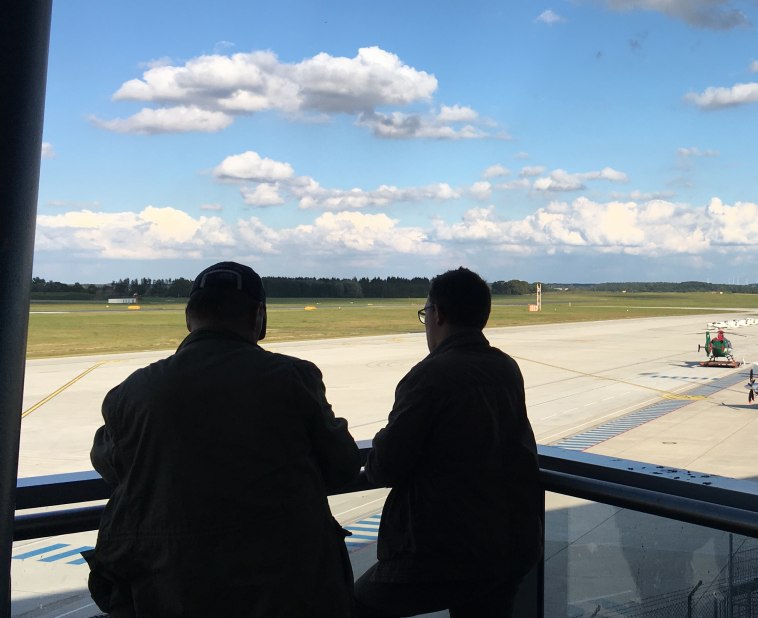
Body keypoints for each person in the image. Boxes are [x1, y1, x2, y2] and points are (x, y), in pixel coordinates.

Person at [87, 261, 361, 617]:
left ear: (189, 317)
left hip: (173, 588)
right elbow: (343, 466)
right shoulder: (293, 377)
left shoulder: (133, 391)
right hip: (287, 589)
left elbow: (110, 464)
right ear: (258, 318)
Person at [354, 267, 542, 618]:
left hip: (444, 554)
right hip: (508, 546)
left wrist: (382, 439)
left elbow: (385, 467)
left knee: (355, 605)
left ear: (438, 314)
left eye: (427, 313)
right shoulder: (506, 367)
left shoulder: (429, 376)